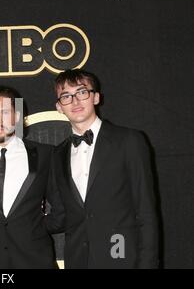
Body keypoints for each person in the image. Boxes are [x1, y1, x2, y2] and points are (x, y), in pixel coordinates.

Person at [52, 69, 159, 268]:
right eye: (66, 96)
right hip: (78, 261)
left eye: (82, 92)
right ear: (59, 107)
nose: (75, 101)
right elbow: (63, 216)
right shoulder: (58, 155)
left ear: (96, 97)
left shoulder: (129, 141)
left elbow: (146, 212)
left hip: (122, 257)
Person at [0, 85, 65, 268]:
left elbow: (63, 209)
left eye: (5, 112)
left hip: (36, 261)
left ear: (16, 117)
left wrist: (35, 227)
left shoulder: (45, 155)